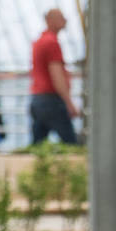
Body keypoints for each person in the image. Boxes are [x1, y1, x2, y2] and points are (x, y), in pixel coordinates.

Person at [27, 9, 78, 145]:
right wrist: (69, 103)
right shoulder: (51, 43)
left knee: (38, 145)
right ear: (50, 20)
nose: (65, 21)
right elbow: (57, 76)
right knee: (72, 144)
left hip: (37, 100)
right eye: (61, 18)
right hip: (51, 100)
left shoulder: (39, 42)